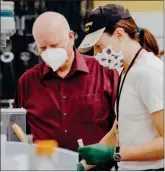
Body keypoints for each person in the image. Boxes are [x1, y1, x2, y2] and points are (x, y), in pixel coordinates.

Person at [13, 12, 119, 170]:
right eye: (42, 48)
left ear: (70, 37)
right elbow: (18, 133)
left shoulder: (105, 72)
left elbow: (121, 126)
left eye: (54, 45)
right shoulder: (27, 82)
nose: (49, 52)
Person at [77, 4, 164, 171]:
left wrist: (113, 153)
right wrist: (81, 166)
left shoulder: (148, 72)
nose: (96, 54)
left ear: (119, 34)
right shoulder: (126, 71)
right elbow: (117, 131)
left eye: (98, 46)